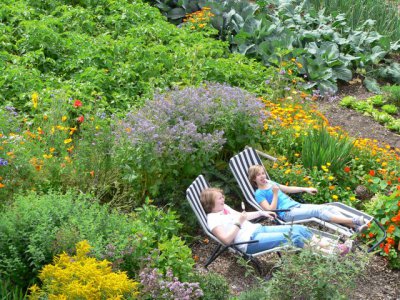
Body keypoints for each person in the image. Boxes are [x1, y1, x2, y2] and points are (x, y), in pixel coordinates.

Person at [200, 187, 352, 256]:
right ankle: (332, 253)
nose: (223, 199)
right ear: (210, 203)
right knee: (294, 237)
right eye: (219, 198)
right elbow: (226, 240)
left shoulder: (223, 208)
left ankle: (334, 246)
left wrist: (262, 212)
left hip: (257, 230)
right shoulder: (212, 220)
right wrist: (238, 223)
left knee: (299, 229)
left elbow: (243, 216)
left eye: (222, 197)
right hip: (249, 242)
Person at [248, 165, 368, 233]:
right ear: (254, 179)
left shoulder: (270, 182)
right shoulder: (259, 194)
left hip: (296, 206)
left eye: (263, 173)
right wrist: (275, 193)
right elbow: (271, 211)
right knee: (318, 212)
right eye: (259, 175)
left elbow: (288, 188)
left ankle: (355, 226)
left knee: (329, 207)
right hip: (286, 214)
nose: (262, 176)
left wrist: (305, 189)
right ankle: (354, 220)